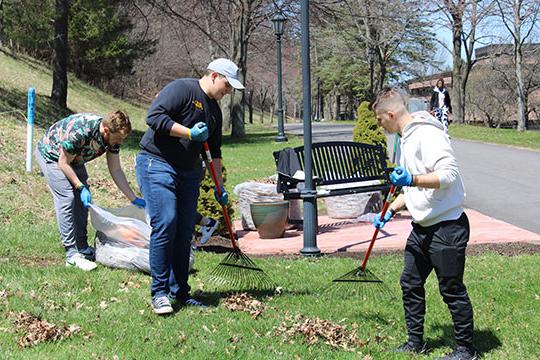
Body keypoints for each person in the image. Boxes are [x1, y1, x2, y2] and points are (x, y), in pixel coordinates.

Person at [371, 87, 476, 360]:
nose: (380, 126)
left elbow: (449, 174)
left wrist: (412, 180)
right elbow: (411, 190)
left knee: (451, 290)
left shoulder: (427, 134)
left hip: (447, 227)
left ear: (391, 114)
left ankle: (466, 350)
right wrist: (390, 211)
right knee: (410, 283)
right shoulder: (405, 138)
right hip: (422, 228)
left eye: (380, 120)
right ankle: (415, 342)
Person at [135, 58, 244, 315]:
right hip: (157, 163)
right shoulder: (183, 89)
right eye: (227, 85)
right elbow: (154, 117)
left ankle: (180, 292)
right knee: (166, 221)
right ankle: (159, 293)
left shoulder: (215, 111)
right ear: (215, 75)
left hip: (189, 170)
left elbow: (214, 152)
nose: (228, 92)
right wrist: (188, 133)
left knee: (185, 230)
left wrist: (218, 185)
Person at [36, 111, 146, 271]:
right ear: (107, 130)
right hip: (52, 155)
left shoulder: (113, 138)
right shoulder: (81, 131)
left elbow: (115, 169)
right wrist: (79, 186)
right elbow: (63, 162)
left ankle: (82, 247)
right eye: (119, 138)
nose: (121, 142)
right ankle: (71, 254)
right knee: (67, 197)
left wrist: (133, 198)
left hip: (75, 159)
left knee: (82, 203)